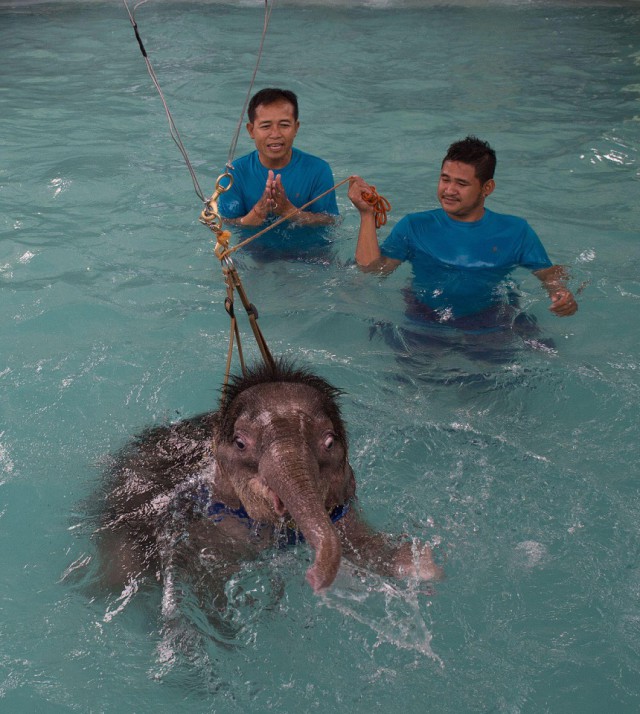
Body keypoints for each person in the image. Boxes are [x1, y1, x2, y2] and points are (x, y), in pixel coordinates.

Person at [348, 136, 578, 332]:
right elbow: (372, 270)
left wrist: (560, 293)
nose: (449, 190)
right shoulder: (415, 226)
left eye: (461, 183)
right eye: (445, 179)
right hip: (426, 316)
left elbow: (548, 274)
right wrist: (367, 215)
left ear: (487, 188)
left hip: (490, 318)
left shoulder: (515, 231)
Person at [218, 88, 339, 229]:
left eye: (284, 125)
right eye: (266, 126)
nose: (275, 134)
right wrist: (258, 212)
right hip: (254, 250)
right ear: (251, 130)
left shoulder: (318, 170)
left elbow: (330, 221)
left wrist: (289, 211)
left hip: (311, 251)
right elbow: (226, 224)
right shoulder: (234, 173)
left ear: (296, 128)